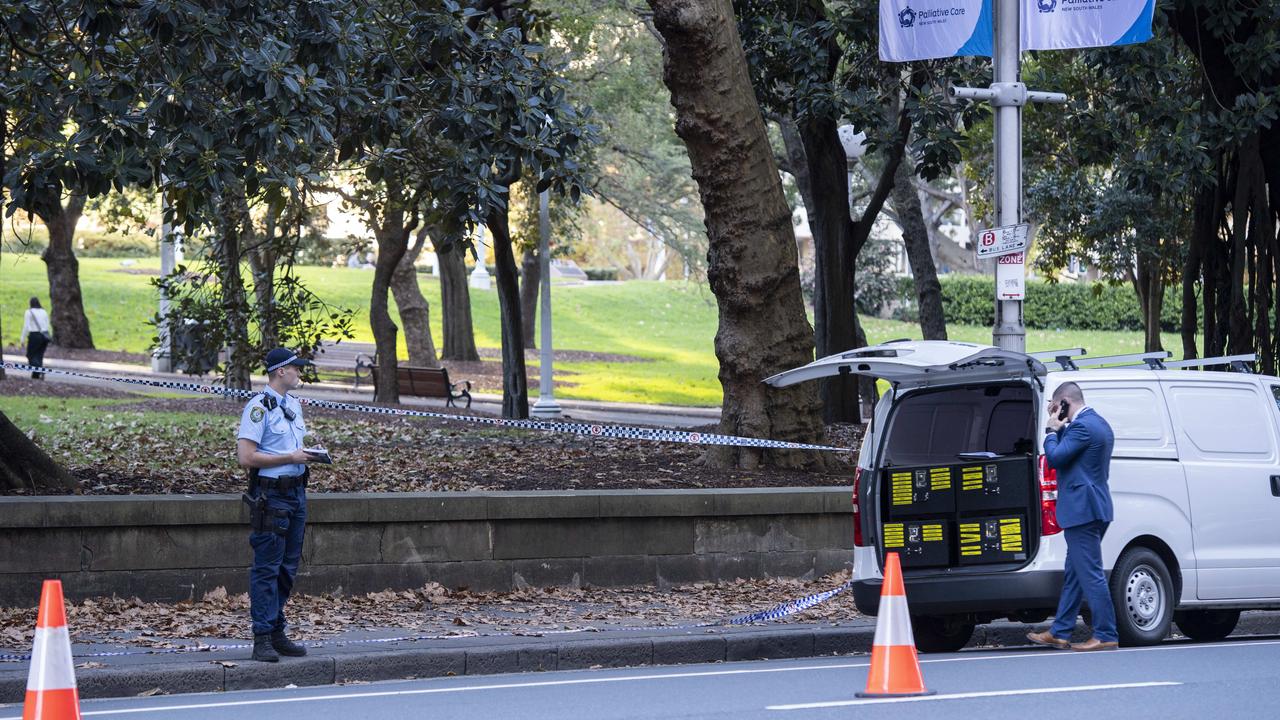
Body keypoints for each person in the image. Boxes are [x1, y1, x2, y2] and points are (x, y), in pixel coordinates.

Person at [236, 348, 321, 662]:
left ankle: (276, 630)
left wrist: (306, 456)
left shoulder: (293, 405)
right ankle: (262, 637)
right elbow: (246, 457)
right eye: (295, 368)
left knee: (287, 568)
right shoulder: (259, 407)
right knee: (267, 568)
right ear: (281, 371)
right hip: (272, 497)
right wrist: (290, 458)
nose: (300, 372)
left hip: (296, 493)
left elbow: (292, 448)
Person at [1027, 381, 1118, 651]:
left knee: (1089, 574)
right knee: (1075, 573)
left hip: (1082, 511)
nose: (1053, 412)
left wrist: (1050, 430)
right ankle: (1061, 631)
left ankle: (1105, 633)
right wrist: (1062, 426)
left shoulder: (1082, 427)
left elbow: (1055, 458)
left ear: (1065, 402)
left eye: (1055, 406)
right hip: (1094, 507)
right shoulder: (1097, 422)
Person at [21, 298, 51, 379]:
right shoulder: (44, 311)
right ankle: (35, 376)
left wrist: (22, 339)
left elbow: (26, 326)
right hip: (44, 335)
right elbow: (47, 324)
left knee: (30, 355)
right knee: (39, 355)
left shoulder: (29, 312)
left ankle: (40, 370)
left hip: (34, 335)